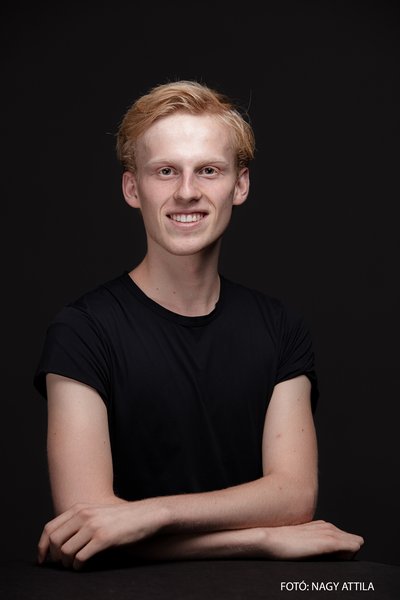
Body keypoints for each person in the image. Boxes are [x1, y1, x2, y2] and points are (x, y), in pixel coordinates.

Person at [34, 80, 363, 570]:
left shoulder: (281, 328)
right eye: (165, 171)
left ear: (240, 185)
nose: (186, 192)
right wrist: (260, 539)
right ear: (132, 188)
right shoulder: (82, 331)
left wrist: (153, 514)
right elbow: (86, 530)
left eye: (208, 170)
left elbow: (294, 496)